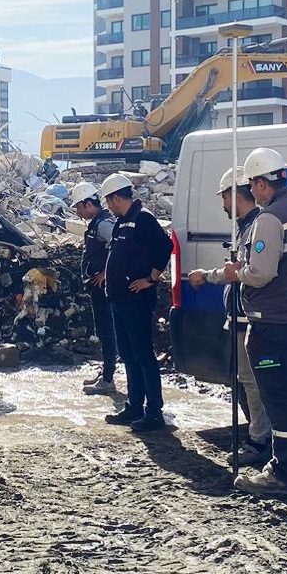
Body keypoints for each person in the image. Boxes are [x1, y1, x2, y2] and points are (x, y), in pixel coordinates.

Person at [226, 147, 287, 497]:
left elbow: (261, 274)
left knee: (279, 399)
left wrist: (237, 274)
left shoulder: (270, 218)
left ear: (263, 183)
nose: (251, 192)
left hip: (273, 323)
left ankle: (282, 471)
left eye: (252, 185)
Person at [186, 167, 270, 465]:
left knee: (251, 380)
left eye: (224, 197)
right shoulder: (247, 226)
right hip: (239, 314)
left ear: (235, 195)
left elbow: (247, 273)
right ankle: (259, 434)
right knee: (245, 379)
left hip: (249, 315)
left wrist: (210, 276)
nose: (223, 205)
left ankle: (260, 439)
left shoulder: (258, 225)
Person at [99, 172, 173, 433]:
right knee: (129, 355)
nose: (108, 206)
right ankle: (134, 405)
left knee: (143, 355)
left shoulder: (143, 219)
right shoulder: (122, 222)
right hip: (119, 298)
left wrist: (151, 279)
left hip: (136, 300)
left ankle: (154, 412)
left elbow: (165, 246)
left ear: (117, 198)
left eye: (109, 201)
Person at [69, 181, 119, 398]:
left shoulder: (104, 224)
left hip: (103, 287)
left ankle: (108, 378)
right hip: (98, 287)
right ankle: (106, 371)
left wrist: (106, 273)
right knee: (104, 331)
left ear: (88, 204)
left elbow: (120, 245)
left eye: (79, 207)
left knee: (107, 331)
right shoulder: (98, 222)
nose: (79, 213)